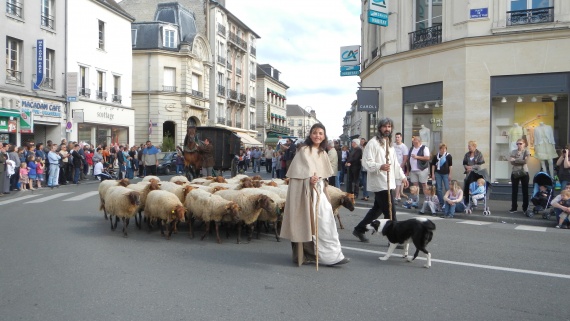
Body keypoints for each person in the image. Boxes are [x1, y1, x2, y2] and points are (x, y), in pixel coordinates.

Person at [280, 123, 349, 267]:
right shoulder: (304, 151)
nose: (317, 135)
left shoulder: (323, 153)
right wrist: (308, 179)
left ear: (324, 136)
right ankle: (309, 254)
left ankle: (333, 255)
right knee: (307, 224)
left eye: (320, 133)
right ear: (310, 135)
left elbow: (324, 176)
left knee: (326, 222)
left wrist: (320, 182)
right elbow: (297, 176)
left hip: (319, 193)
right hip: (305, 193)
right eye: (315, 132)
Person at [353, 117, 409, 243]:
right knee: (390, 213)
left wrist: (403, 176)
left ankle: (360, 229)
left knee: (376, 210)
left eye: (389, 127)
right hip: (380, 183)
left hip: (388, 183)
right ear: (379, 128)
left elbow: (394, 164)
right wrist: (380, 166)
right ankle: (394, 238)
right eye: (385, 126)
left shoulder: (389, 144)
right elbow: (366, 163)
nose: (387, 129)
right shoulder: (373, 143)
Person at [509, 138, 530, 214]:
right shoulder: (513, 151)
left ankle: (525, 208)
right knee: (514, 191)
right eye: (517, 144)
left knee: (525, 191)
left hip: (524, 172)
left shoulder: (526, 151)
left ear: (524, 144)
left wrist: (515, 160)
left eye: (520, 143)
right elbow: (511, 162)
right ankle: (514, 207)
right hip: (515, 172)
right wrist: (520, 161)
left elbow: (526, 161)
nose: (519, 145)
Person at [431, 143, 452, 210]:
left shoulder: (448, 156)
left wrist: (450, 174)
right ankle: (441, 202)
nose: (443, 150)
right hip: (438, 173)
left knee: (447, 187)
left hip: (445, 173)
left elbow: (450, 166)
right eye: (442, 148)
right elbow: (433, 165)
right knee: (439, 188)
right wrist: (433, 174)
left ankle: (448, 201)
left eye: (445, 149)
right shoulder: (436, 156)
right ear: (440, 149)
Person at [392, 132, 409, 203]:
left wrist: (401, 166)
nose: (397, 139)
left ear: (401, 138)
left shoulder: (404, 147)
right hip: (392, 165)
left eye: (398, 137)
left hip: (399, 166)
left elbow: (405, 158)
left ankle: (396, 197)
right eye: (396, 137)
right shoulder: (393, 145)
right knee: (394, 181)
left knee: (398, 181)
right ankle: (398, 195)